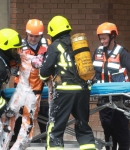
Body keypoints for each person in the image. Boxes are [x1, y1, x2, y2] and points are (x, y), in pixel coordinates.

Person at [39, 15, 96, 150]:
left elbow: (44, 72)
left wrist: (43, 75)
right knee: (83, 126)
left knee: (56, 128)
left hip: (65, 92)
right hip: (83, 91)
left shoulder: (54, 46)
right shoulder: (76, 45)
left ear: (53, 32)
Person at [6, 19, 49, 150]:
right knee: (17, 117)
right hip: (21, 87)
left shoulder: (47, 45)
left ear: (41, 35)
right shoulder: (20, 46)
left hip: (40, 89)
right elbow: (12, 65)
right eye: (31, 36)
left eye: (36, 36)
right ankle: (13, 143)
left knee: (40, 116)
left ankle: (43, 141)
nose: (33, 39)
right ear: (26, 34)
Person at [92, 22, 130, 150]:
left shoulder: (122, 53)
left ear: (112, 36)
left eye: (104, 38)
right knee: (107, 129)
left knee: (121, 130)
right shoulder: (98, 52)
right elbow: (92, 73)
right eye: (100, 38)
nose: (102, 41)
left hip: (120, 98)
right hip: (103, 97)